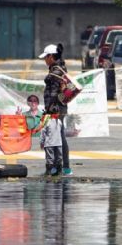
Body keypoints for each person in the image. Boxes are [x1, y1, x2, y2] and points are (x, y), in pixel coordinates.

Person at [40, 43, 72, 175]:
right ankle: (64, 166)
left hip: (56, 109)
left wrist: (49, 109)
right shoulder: (58, 68)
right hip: (59, 108)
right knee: (59, 136)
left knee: (55, 137)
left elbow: (54, 93)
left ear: (51, 56)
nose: (44, 60)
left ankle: (57, 167)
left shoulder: (56, 71)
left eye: (45, 57)